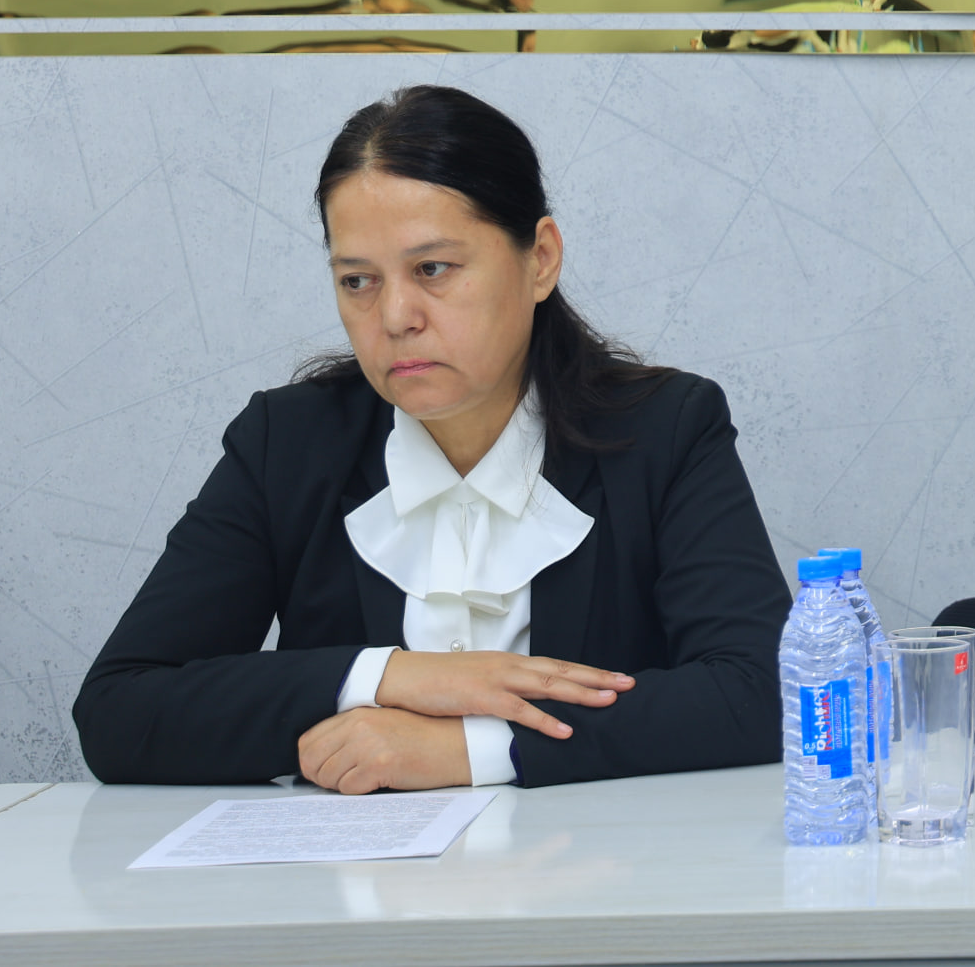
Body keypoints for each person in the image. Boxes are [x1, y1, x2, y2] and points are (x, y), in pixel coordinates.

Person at [74, 85, 791, 791]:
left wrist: (472, 750)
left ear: (539, 258)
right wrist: (394, 677)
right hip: (351, 894)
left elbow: (764, 692)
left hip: (587, 884)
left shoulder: (665, 428)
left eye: (433, 269)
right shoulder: (285, 443)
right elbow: (119, 710)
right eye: (358, 280)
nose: (394, 316)